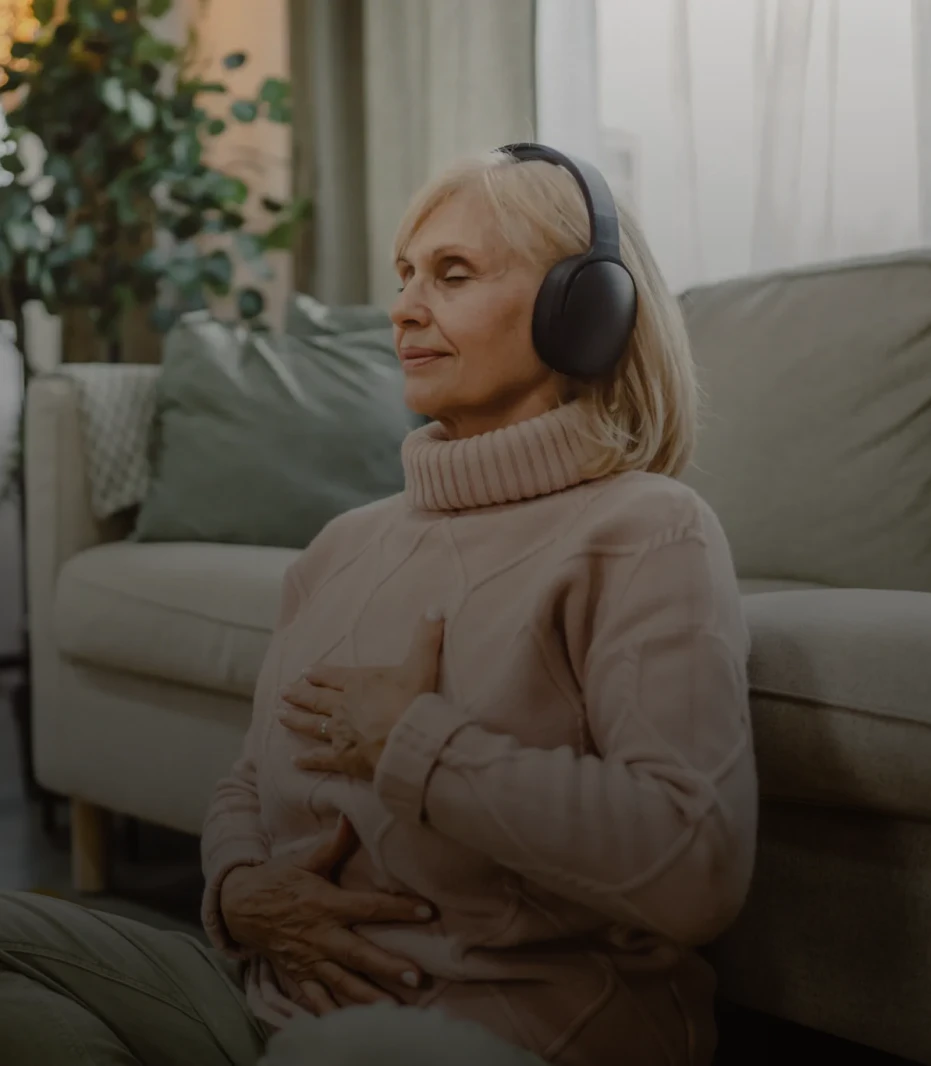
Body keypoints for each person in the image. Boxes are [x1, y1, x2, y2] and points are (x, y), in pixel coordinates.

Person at [0, 144, 757, 1065]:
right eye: (404, 275)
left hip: (486, 1033)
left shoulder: (646, 531)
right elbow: (248, 777)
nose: (403, 308)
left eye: (452, 274)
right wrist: (239, 892)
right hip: (258, 1005)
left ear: (584, 311)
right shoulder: (344, 544)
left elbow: (694, 866)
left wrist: (417, 744)